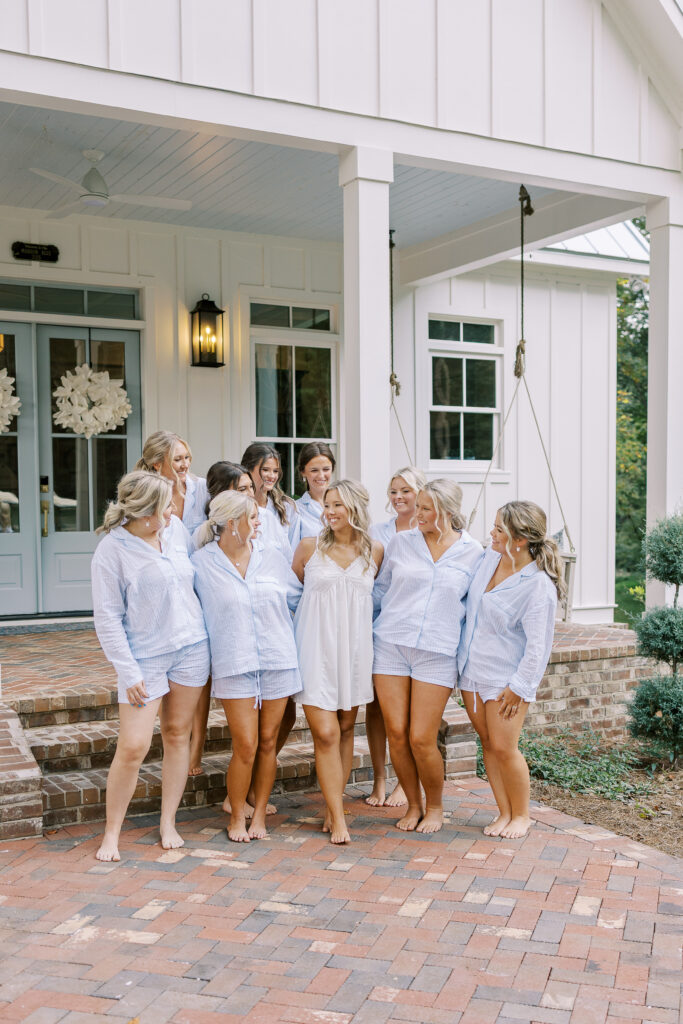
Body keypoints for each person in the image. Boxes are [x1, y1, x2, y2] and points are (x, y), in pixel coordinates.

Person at [90, 470, 210, 862]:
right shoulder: (113, 550)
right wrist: (129, 671)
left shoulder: (173, 531)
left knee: (178, 735)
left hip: (191, 647)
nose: (172, 510)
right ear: (143, 511)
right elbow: (107, 618)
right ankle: (112, 834)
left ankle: (168, 822)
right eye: (163, 506)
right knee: (134, 745)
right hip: (144, 656)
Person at [373, 480, 483, 834]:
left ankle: (435, 807)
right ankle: (413, 804)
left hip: (437, 651)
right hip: (390, 643)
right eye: (416, 506)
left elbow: (476, 608)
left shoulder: (473, 552)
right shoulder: (400, 543)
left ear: (447, 512)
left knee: (422, 737)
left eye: (424, 508)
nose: (414, 513)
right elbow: (380, 591)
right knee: (397, 732)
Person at [192, 491, 302, 842]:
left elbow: (298, 600)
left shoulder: (272, 558)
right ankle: (236, 816)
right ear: (232, 522)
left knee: (268, 742)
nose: (259, 523)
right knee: (246, 745)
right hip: (234, 662)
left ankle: (260, 817)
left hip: (277, 659)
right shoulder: (200, 564)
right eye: (253, 517)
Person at [458, 501, 563, 840]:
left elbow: (538, 646)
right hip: (472, 673)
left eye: (499, 529)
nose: (491, 533)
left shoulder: (537, 586)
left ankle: (522, 815)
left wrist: (519, 686)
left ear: (519, 539)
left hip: (506, 681)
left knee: (505, 748)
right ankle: (503, 812)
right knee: (488, 744)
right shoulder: (489, 559)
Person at [292, 480, 383, 844]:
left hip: (355, 652)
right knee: (326, 732)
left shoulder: (374, 550)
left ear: (355, 509)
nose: (329, 512)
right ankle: (340, 821)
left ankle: (334, 807)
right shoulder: (308, 548)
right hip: (316, 648)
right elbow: (297, 590)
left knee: (347, 728)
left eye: (337, 506)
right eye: (326, 505)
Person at [188, 461, 257, 777]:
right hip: (210, 621)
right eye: (241, 489)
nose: (249, 494)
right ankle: (195, 747)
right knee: (202, 688)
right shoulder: (204, 537)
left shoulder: (254, 524)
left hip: (242, 628)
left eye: (249, 488)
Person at [366, 466, 427, 808]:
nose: (399, 497)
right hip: (378, 626)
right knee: (375, 709)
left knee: (407, 716)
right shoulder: (378, 531)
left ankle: (406, 782)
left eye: (405, 490)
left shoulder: (430, 528)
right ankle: (378, 779)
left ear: (420, 493)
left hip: (414, 633)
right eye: (393, 491)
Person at [136, 430, 208, 534]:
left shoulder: (203, 487)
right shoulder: (143, 495)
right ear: (157, 464)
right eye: (177, 459)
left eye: (187, 457)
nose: (185, 465)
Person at [241, 443, 298, 558]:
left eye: (276, 471)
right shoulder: (237, 506)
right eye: (265, 470)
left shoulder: (287, 507)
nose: (272, 476)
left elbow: (293, 553)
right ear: (248, 470)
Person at [295, 442, 336, 541]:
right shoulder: (295, 510)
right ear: (303, 472)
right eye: (314, 470)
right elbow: (292, 552)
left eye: (326, 469)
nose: (321, 475)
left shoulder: (346, 504)